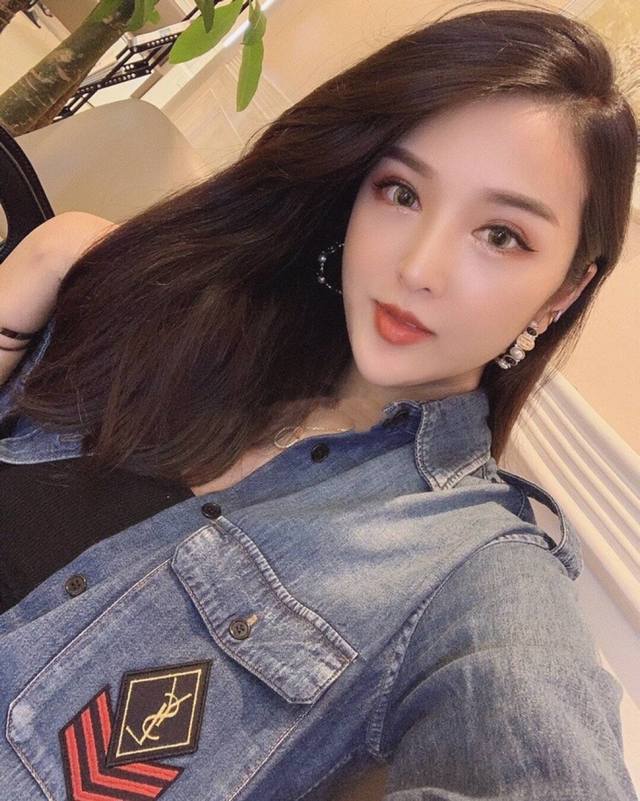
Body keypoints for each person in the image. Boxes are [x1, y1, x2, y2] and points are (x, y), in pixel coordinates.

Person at [0, 5, 637, 800]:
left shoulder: (471, 573)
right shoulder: (176, 312)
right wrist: (47, 260)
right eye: (401, 192)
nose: (419, 267)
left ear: (563, 292)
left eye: (501, 235)